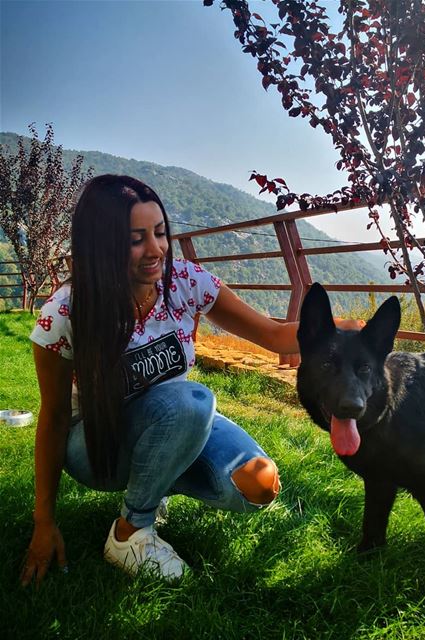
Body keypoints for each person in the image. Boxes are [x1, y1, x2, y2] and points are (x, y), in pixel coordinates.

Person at [20, 174, 360, 586]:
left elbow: (271, 335)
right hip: (97, 445)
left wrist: (334, 332)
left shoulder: (183, 281)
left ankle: (154, 484)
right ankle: (130, 531)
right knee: (192, 400)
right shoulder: (64, 315)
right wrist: (44, 521)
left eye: (160, 233)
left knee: (260, 486)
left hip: (178, 421)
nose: (156, 249)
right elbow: (54, 418)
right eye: (135, 239)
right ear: (101, 244)